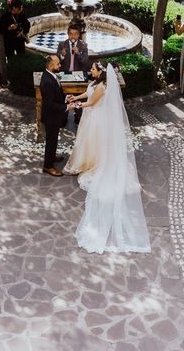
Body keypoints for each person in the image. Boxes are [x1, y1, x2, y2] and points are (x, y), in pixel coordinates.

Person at [63, 61, 150, 254]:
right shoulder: (95, 83)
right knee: (86, 142)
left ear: (100, 72)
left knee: (92, 142)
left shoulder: (103, 86)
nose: (90, 71)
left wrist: (74, 105)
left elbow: (92, 102)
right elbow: (88, 93)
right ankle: (88, 161)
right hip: (89, 117)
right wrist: (75, 96)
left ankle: (95, 163)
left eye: (93, 69)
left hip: (96, 118)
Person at [40, 55, 73, 177]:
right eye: (58, 64)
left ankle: (52, 157)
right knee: (51, 140)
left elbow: (56, 95)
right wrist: (66, 107)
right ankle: (48, 166)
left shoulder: (51, 75)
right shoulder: (47, 81)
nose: (60, 65)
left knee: (53, 140)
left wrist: (65, 98)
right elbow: (49, 104)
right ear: (50, 65)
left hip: (54, 116)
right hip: (51, 117)